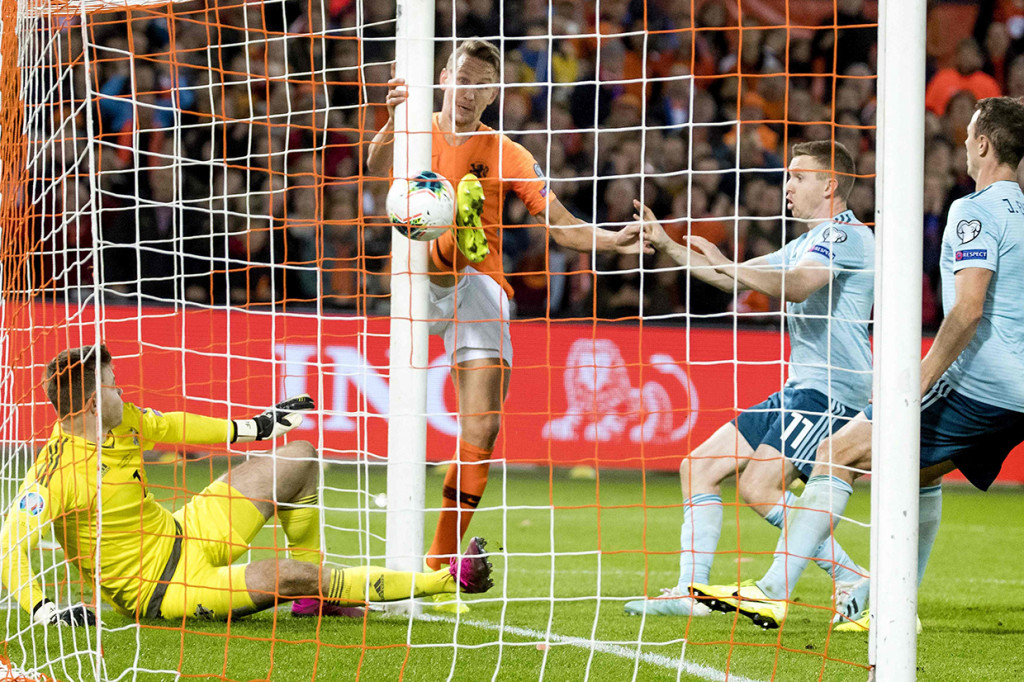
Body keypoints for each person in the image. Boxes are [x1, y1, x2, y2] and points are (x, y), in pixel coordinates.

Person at [693, 96, 1024, 631]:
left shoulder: (974, 210)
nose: (963, 143)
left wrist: (921, 377)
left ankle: (772, 591)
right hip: (1017, 394)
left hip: (978, 384)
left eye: (968, 135)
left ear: (983, 144)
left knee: (835, 452)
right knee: (919, 477)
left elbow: (968, 308)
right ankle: (895, 608)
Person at [366, 39, 646, 611]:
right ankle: (450, 240)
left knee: (483, 429)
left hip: (479, 284)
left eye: (481, 84)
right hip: (414, 279)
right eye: (462, 78)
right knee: (436, 243)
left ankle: (438, 570)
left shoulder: (507, 152)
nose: (468, 92)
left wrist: (612, 240)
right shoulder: (415, 126)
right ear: (444, 77)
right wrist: (390, 122)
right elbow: (374, 172)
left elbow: (560, 225)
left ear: (494, 93)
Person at [0, 344, 494, 625]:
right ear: (91, 404)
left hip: (184, 531)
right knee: (288, 574)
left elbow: (172, 424)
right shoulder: (56, 474)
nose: (122, 390)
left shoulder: (120, 420)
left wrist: (256, 427)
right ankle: (444, 580)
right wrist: (43, 609)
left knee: (299, 457)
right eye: (113, 385)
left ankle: (316, 600)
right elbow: (8, 548)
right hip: (164, 588)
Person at [622, 140, 874, 628]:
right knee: (698, 467)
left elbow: (797, 285)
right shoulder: (806, 243)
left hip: (832, 392)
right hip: (802, 388)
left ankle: (851, 576)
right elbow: (730, 280)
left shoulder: (843, 236)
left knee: (759, 486)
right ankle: (691, 591)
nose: (788, 186)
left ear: (830, 185)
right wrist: (669, 245)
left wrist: (731, 266)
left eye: (799, 176)